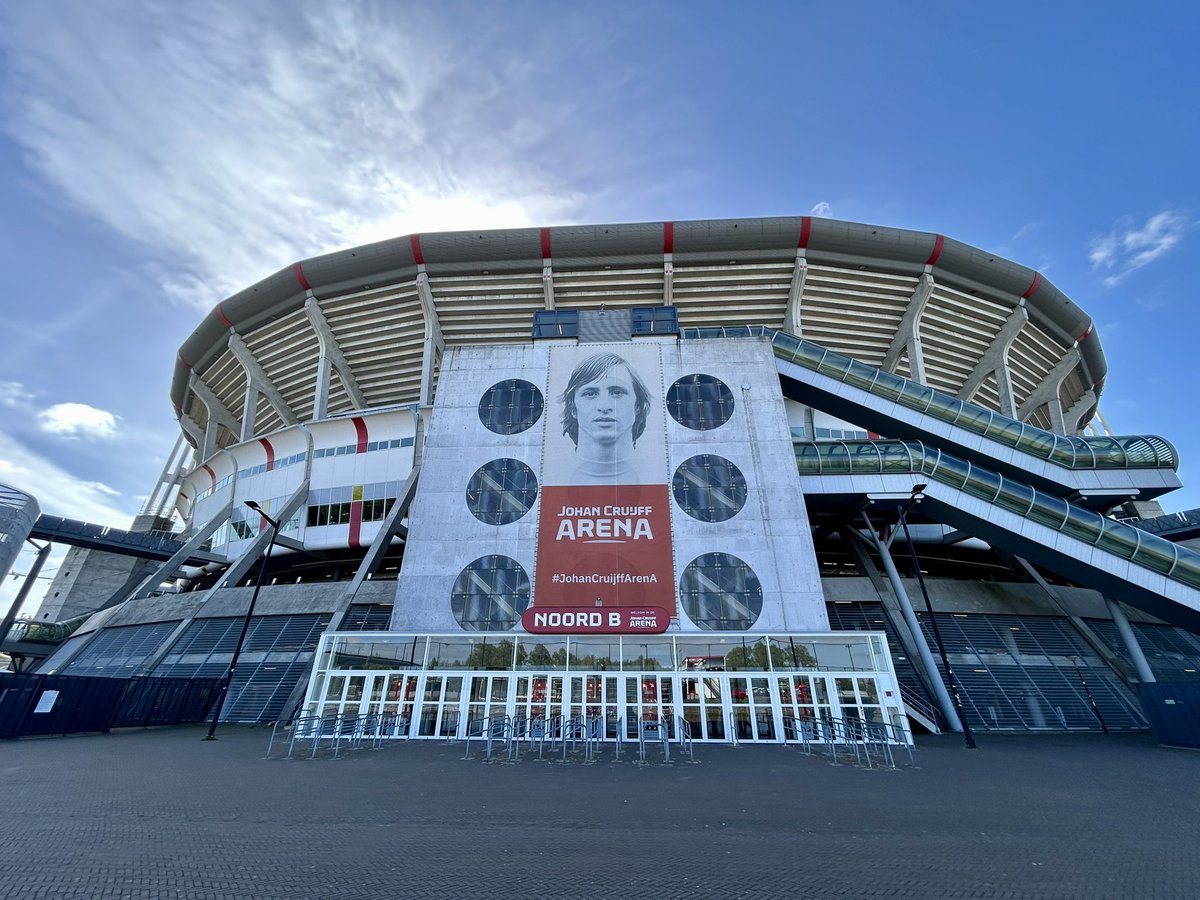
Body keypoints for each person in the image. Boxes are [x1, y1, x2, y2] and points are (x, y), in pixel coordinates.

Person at [559, 353, 653, 484]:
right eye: (590, 393)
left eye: (617, 392)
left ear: (637, 406)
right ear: (572, 407)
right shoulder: (555, 474)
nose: (604, 407)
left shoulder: (655, 472)